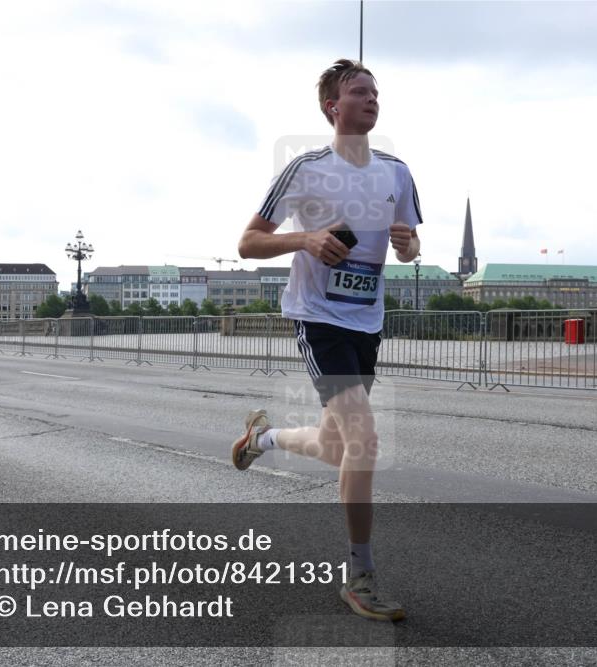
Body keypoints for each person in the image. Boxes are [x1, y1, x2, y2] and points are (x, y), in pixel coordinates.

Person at [233, 59, 422, 622]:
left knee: (340, 448)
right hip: (317, 318)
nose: (371, 99)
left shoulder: (397, 173)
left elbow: (410, 252)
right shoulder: (305, 168)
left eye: (375, 92)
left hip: (367, 321)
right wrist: (308, 239)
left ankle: (262, 440)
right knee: (363, 438)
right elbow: (247, 243)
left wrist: (408, 243)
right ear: (330, 107)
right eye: (358, 92)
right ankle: (359, 575)